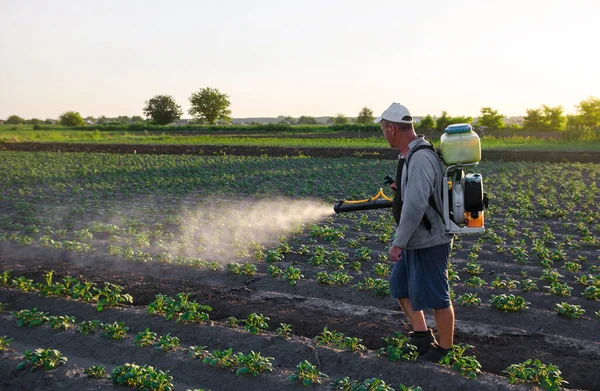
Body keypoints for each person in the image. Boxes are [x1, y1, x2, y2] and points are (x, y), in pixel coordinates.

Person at [374, 102, 454, 362]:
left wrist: (398, 243)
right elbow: (417, 193)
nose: (383, 135)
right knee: (400, 287)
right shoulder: (408, 155)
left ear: (391, 128)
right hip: (415, 239)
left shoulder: (420, 157)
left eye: (384, 130)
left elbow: (417, 204)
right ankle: (421, 334)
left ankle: (444, 348)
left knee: (438, 297)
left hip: (429, 239)